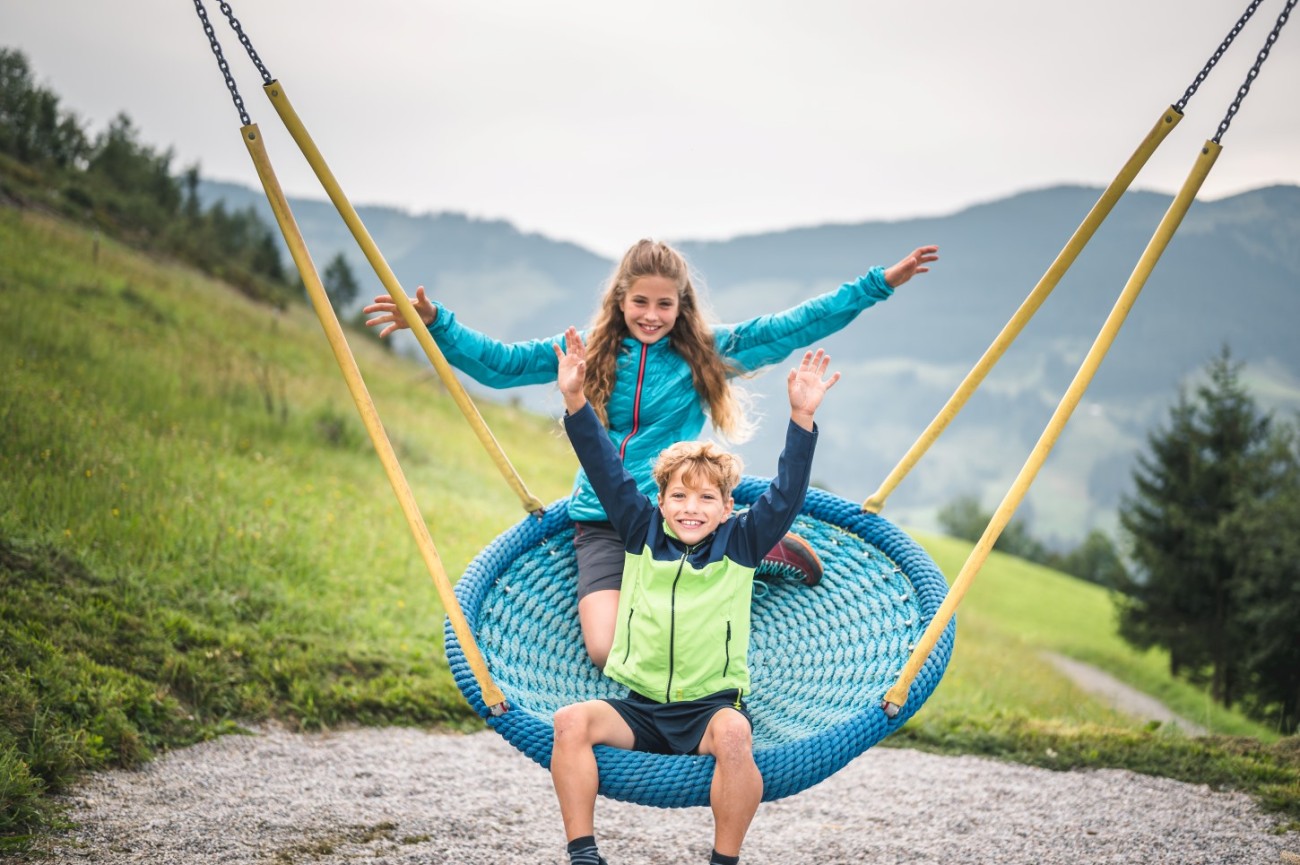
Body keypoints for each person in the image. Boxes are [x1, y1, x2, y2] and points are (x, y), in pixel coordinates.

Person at [364, 239, 937, 668]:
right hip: (605, 520)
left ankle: (749, 550)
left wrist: (878, 283)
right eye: (641, 302)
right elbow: (500, 364)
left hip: (678, 517)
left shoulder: (704, 353)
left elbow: (798, 323)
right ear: (621, 298)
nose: (652, 316)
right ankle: (740, 550)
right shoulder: (583, 352)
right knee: (603, 650)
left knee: (693, 636)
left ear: (682, 305)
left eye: (666, 305)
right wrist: (437, 324)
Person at [549, 326, 838, 865]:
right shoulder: (639, 531)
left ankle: (722, 859)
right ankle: (584, 853)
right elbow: (605, 469)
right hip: (640, 707)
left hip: (708, 709)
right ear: (659, 501)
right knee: (569, 722)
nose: (691, 507)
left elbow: (786, 495)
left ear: (727, 509)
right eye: (679, 495)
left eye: (706, 498)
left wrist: (801, 420)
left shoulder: (743, 543)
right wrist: (575, 400)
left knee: (734, 738)